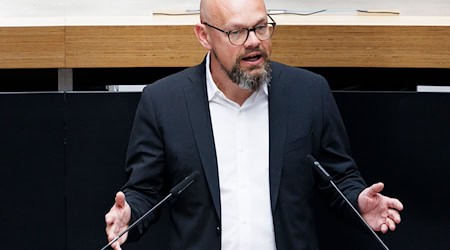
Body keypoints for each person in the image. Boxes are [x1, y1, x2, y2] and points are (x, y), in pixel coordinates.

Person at [105, 0, 404, 249]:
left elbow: (339, 176)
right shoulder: (163, 102)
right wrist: (129, 214)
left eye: (261, 27)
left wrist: (357, 201)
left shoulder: (310, 93)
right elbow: (145, 192)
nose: (253, 42)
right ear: (204, 35)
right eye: (236, 32)